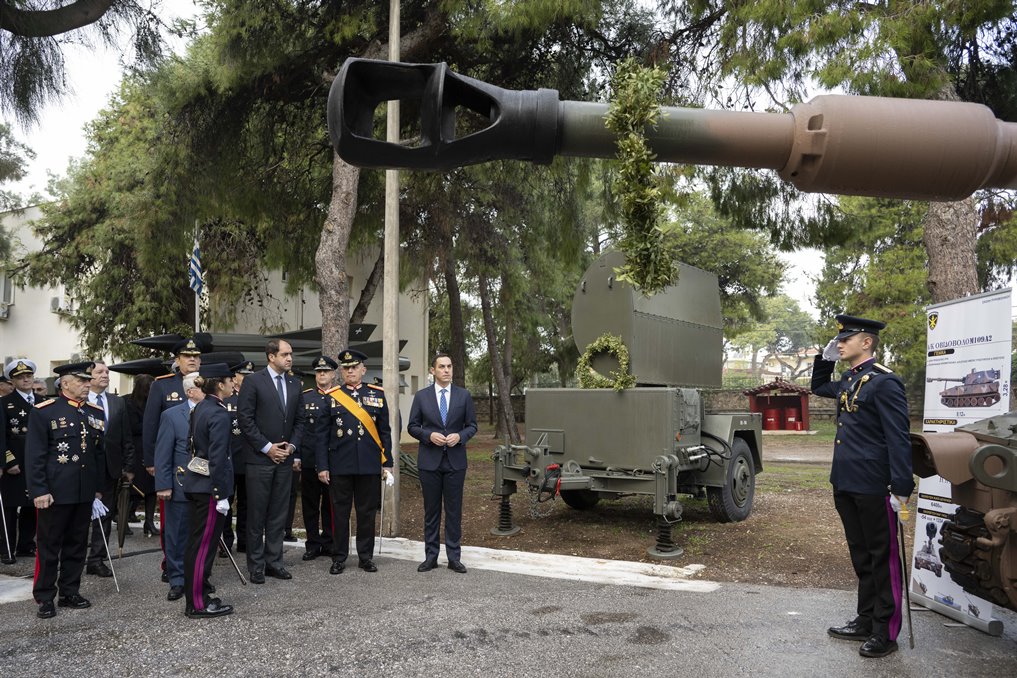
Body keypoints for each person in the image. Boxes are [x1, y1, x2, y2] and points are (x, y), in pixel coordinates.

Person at [811, 314, 914, 659]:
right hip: (845, 480)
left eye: (846, 339)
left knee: (882, 557)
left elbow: (898, 439)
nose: (839, 343)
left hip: (874, 484)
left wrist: (900, 485)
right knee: (861, 554)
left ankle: (886, 631)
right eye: (838, 340)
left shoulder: (885, 383)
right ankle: (866, 618)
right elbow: (817, 387)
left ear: (866, 342)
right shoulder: (850, 379)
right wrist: (821, 361)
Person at [25, 361, 106, 619]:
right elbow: (35, 455)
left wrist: (97, 489)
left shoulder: (94, 412)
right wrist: (39, 490)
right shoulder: (44, 412)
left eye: (87, 380)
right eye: (82, 381)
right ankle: (45, 596)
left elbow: (98, 454)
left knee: (77, 544)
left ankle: (70, 591)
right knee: (49, 546)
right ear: (66, 383)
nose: (87, 385)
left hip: (83, 491)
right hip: (55, 492)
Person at [317, 349, 392, 575]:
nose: (350, 371)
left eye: (354, 367)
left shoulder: (377, 395)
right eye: (346, 368)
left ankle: (365, 557)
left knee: (366, 513)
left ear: (363, 370)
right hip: (340, 465)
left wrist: (387, 463)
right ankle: (339, 557)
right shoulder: (332, 396)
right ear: (342, 371)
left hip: (369, 464)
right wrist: (322, 466)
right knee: (340, 513)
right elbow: (321, 436)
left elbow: (385, 432)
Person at [237, 339, 305, 584]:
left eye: (291, 354)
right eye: (285, 354)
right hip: (259, 461)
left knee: (278, 514)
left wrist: (292, 447)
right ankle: (256, 565)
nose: (290, 358)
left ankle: (274, 562)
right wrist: (267, 448)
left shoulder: (295, 384)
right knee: (257, 515)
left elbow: (300, 421)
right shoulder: (253, 382)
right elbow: (245, 420)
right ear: (271, 356)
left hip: (285, 460)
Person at [408, 352, 477, 574]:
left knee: (454, 511)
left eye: (449, 366)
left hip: (455, 462)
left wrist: (461, 436)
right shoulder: (422, 396)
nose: (446, 370)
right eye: (441, 367)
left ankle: (454, 558)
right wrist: (428, 436)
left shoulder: (463, 395)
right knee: (431, 511)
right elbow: (412, 426)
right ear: (433, 370)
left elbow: (472, 425)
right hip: (429, 462)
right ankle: (430, 557)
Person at [182, 363, 235, 618]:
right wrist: (221, 493)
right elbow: (218, 458)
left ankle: (198, 592)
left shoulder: (200, 408)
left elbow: (192, 448)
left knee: (196, 544)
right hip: (209, 489)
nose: (234, 383)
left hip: (196, 483)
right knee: (203, 546)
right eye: (230, 379)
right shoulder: (219, 413)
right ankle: (197, 603)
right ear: (220, 384)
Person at [154, 371, 202, 601]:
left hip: (204, 485)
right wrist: (163, 484)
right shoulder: (171, 415)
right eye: (202, 386)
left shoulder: (213, 411)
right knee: (176, 535)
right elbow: (163, 453)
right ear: (190, 391)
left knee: (201, 535)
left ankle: (199, 577)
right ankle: (177, 579)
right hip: (180, 483)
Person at [85, 361, 136, 578]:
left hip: (110, 468)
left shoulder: (117, 402)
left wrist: (129, 466)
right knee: (77, 516)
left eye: (107, 372)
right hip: (82, 468)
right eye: (100, 372)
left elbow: (126, 436)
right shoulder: (78, 401)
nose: (105, 375)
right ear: (88, 377)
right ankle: (72, 558)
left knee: (104, 515)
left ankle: (97, 559)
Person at [299, 356, 336, 561]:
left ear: (332, 374)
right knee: (310, 504)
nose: (322, 375)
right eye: (319, 371)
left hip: (332, 461)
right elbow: (298, 428)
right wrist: (296, 456)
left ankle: (329, 541)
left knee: (330, 504)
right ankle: (312, 543)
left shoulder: (340, 397)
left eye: (326, 371)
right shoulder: (305, 397)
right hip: (309, 458)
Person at [2, 359, 40, 560]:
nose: (26, 380)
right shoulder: (4, 403)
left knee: (32, 504)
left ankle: (26, 545)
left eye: (28, 376)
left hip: (37, 463)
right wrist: (8, 461)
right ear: (12, 381)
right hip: (16, 462)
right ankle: (6, 548)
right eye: (20, 377)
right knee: (10, 507)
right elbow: (2, 436)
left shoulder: (43, 401)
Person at [222, 360, 255, 555]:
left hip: (249, 459)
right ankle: (226, 541)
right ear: (235, 378)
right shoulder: (226, 399)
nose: (247, 379)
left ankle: (244, 541)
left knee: (247, 504)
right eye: (244, 375)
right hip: (229, 460)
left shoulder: (255, 398)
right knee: (226, 502)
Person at [125, 374, 157, 536]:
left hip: (152, 448)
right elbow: (133, 427)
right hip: (137, 450)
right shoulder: (129, 403)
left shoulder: (154, 403)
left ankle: (149, 522)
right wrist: (151, 422)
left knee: (152, 489)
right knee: (134, 489)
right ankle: (124, 520)